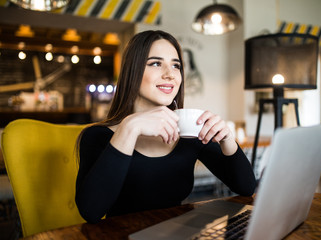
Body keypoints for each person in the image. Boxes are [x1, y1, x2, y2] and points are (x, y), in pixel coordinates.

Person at [75, 30, 256, 224]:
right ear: (132, 71)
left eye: (176, 65)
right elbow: (91, 211)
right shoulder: (97, 136)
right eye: (155, 63)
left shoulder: (188, 133)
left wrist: (228, 139)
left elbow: (246, 187)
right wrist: (129, 128)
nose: (170, 74)